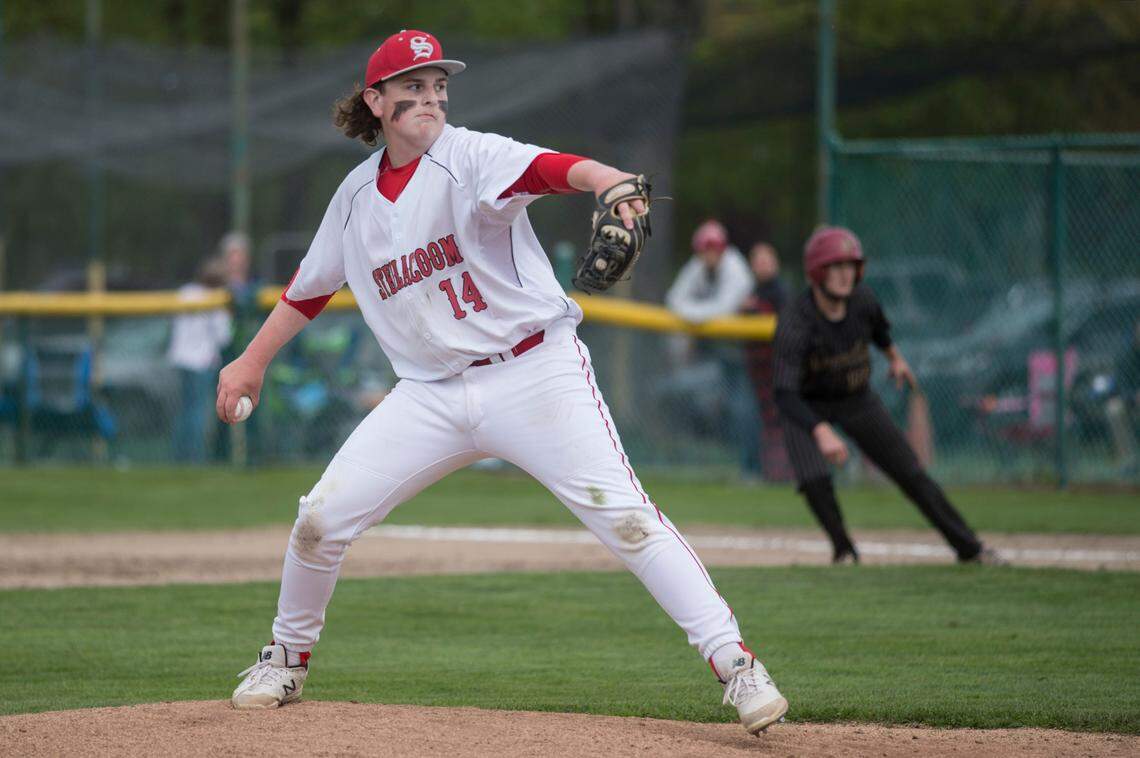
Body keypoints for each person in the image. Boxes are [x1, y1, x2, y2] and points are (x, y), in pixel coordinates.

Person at [217, 30, 787, 735]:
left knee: (629, 519)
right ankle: (286, 658)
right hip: (428, 394)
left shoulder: (472, 156)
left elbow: (556, 169)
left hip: (534, 374)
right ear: (376, 101)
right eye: (412, 88)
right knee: (318, 522)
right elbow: (308, 291)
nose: (430, 98)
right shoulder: (355, 198)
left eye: (437, 87)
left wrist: (609, 181)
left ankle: (737, 665)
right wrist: (251, 361)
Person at [773, 226, 1005, 565]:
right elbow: (784, 393)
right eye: (835, 267)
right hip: (805, 405)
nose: (845, 275)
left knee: (910, 471)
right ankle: (844, 551)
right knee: (814, 477)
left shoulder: (863, 300)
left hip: (855, 397)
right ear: (817, 272)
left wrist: (895, 358)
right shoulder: (796, 322)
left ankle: (969, 548)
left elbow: (880, 331)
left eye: (850, 266)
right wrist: (820, 430)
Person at [665, 221, 761, 479]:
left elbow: (724, 309)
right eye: (705, 249)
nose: (709, 254)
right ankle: (741, 468)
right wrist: (696, 315)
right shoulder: (698, 266)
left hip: (750, 352)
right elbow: (674, 298)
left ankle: (752, 470)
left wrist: (690, 314)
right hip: (723, 351)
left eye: (714, 248)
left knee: (746, 408)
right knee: (723, 404)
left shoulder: (735, 268)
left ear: (722, 249)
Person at [168, 258, 232, 463]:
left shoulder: (186, 291)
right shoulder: (217, 299)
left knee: (184, 410)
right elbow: (224, 337)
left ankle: (179, 456)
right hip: (202, 361)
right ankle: (194, 458)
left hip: (180, 358)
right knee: (197, 412)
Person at [740, 243, 792, 482]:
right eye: (758, 261)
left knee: (784, 418)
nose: (762, 265)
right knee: (757, 419)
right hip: (758, 371)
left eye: (766, 260)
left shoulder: (781, 291)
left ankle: (785, 472)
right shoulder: (751, 291)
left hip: (780, 368)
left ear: (776, 263)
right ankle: (762, 471)